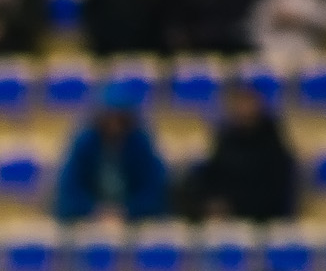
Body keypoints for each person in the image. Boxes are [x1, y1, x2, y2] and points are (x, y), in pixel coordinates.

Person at [183, 83, 297, 222]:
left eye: (248, 103)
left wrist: (233, 207)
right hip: (223, 216)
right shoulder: (226, 140)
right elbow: (213, 177)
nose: (243, 109)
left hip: (261, 219)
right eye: (239, 103)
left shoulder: (274, 148)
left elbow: (274, 193)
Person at [56, 87, 170, 223]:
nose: (114, 125)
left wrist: (127, 211)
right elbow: (69, 191)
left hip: (134, 222)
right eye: (109, 117)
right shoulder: (85, 143)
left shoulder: (141, 144)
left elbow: (154, 191)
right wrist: (94, 211)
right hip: (89, 222)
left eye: (120, 118)